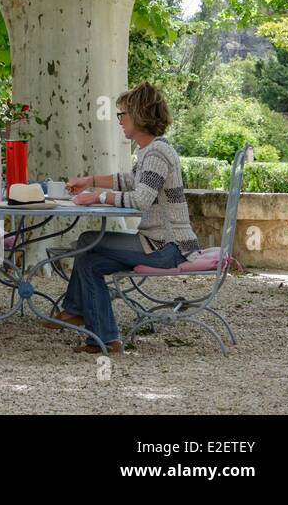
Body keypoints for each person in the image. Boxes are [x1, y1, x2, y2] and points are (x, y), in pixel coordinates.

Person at [52, 82, 202, 353]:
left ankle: (74, 312)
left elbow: (141, 198)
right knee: (90, 260)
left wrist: (96, 197)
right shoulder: (151, 150)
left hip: (168, 247)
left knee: (87, 240)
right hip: (160, 243)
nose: (119, 121)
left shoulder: (157, 152)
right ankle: (103, 338)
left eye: (123, 115)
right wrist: (91, 180)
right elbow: (131, 180)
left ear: (140, 115)